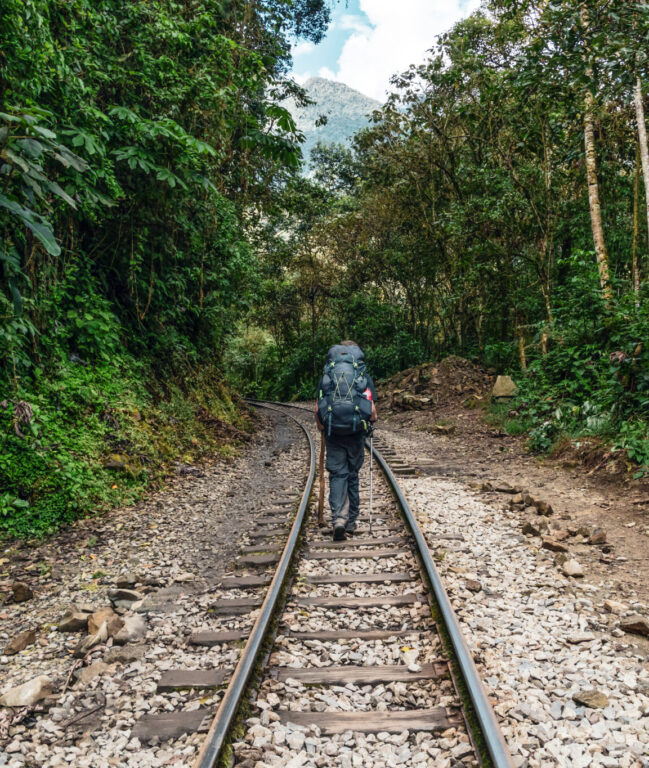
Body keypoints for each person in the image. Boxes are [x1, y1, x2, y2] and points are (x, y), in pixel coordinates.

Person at [314, 340, 377, 541]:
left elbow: (318, 409)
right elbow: (372, 412)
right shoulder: (361, 375)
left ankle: (338, 519)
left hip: (334, 433)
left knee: (337, 475)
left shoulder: (329, 374)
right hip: (356, 433)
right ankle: (350, 522)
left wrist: (322, 426)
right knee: (352, 474)